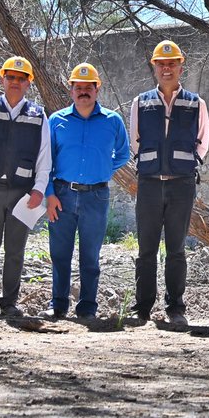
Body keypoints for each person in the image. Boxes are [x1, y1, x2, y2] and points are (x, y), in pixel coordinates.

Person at [128, 40, 209, 328]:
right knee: (146, 250)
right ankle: (142, 307)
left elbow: (202, 144)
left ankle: (175, 307)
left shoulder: (196, 103)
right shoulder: (141, 102)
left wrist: (181, 167)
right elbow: (135, 141)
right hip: (149, 183)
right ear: (154, 67)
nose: (166, 68)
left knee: (176, 249)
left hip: (181, 184)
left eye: (172, 63)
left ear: (180, 67)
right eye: (161, 64)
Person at [44, 63, 132, 321]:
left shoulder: (112, 121)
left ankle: (87, 307)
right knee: (60, 253)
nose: (83, 91)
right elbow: (46, 160)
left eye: (88, 87)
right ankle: (58, 304)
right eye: (78, 87)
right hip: (61, 194)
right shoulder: (56, 120)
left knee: (90, 256)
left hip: (96, 196)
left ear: (97, 89)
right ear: (71, 90)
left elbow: (124, 154)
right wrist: (49, 193)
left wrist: (103, 169)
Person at [0, 56, 51, 318]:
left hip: (22, 193)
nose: (15, 82)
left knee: (16, 250)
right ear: (2, 79)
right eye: (11, 77)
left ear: (29, 83)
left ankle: (9, 302)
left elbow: (44, 156)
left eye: (21, 79)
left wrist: (39, 189)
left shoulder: (38, 114)